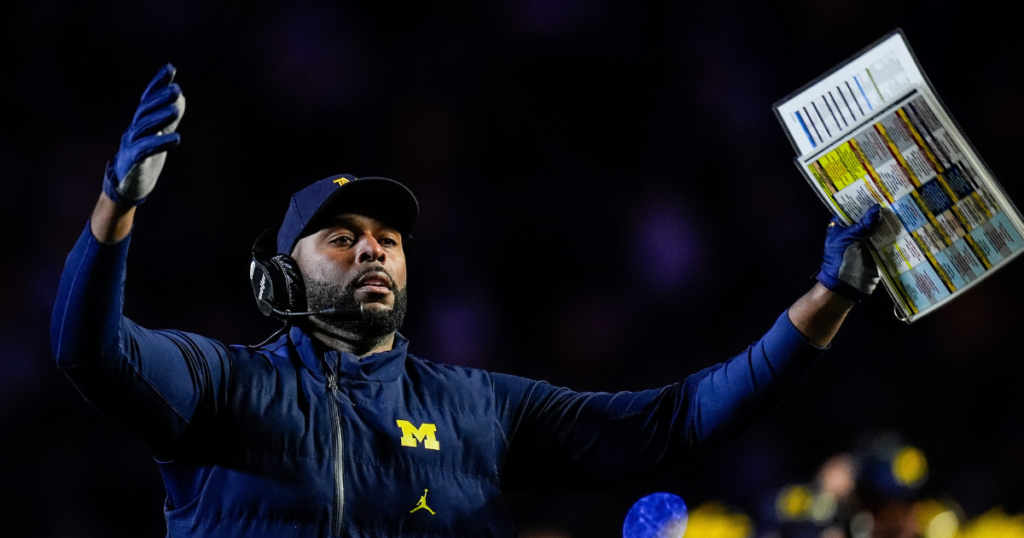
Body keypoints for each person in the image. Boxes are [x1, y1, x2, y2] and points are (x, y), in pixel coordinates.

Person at [51, 64, 882, 538]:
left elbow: (678, 421)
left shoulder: (479, 409)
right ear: (280, 277)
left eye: (389, 237)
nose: (372, 247)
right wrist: (116, 207)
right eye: (341, 236)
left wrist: (829, 296)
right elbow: (88, 350)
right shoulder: (220, 388)